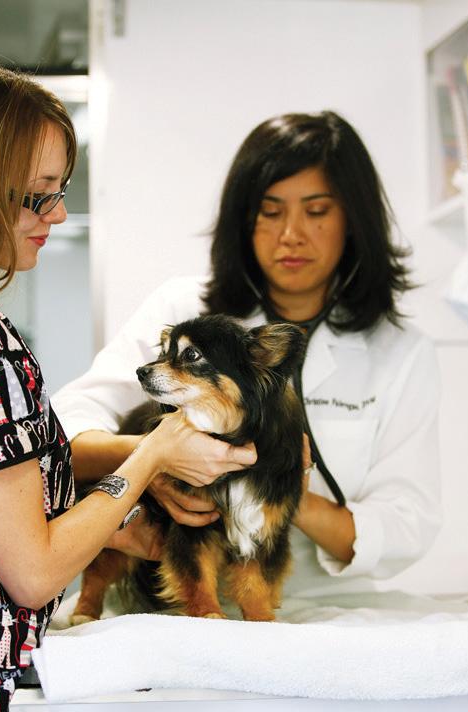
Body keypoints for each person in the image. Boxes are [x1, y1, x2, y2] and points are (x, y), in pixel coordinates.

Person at [0, 63, 256, 710]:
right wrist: (153, 453)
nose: (60, 214)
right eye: (38, 195)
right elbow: (34, 572)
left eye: (60, 190)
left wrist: (106, 527)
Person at [53, 111, 442, 599]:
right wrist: (152, 463)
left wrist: (281, 491)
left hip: (324, 606)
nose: (291, 234)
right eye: (270, 211)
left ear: (353, 220)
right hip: (171, 606)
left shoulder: (400, 352)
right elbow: (63, 435)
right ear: (243, 219)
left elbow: (407, 524)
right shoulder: (181, 311)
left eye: (317, 211)